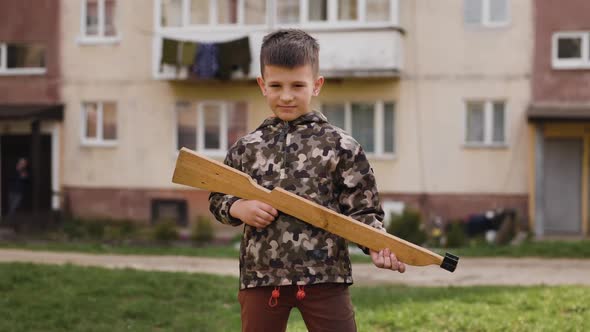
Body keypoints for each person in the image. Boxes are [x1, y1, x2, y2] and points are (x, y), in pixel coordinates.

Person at [209, 29, 405, 332]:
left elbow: (363, 212)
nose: (286, 95)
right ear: (262, 85)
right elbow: (218, 197)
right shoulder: (246, 148)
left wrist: (377, 246)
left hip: (326, 275)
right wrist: (239, 208)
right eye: (276, 85)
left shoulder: (342, 146)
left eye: (297, 85)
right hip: (262, 277)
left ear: (316, 85)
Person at [7, 158, 29, 227]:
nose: (24, 164)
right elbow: (10, 178)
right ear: (19, 163)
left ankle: (11, 222)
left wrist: (24, 178)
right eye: (22, 163)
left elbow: (26, 181)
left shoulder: (25, 171)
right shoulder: (14, 170)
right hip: (12, 191)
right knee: (12, 207)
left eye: (25, 163)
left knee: (14, 207)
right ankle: (12, 222)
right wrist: (19, 175)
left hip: (19, 192)